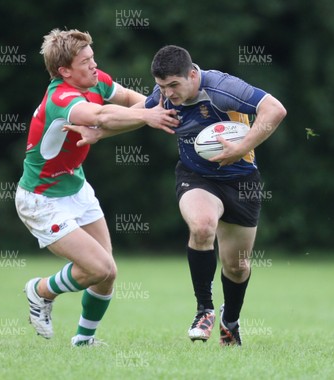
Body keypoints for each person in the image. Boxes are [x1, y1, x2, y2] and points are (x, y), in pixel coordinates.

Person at [66, 45, 286, 347]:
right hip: (195, 177)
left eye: (173, 85)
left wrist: (240, 146)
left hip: (241, 181)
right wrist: (101, 133)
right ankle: (204, 310)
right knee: (202, 226)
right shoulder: (164, 97)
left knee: (237, 266)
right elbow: (141, 115)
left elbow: (275, 109)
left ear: (192, 74)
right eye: (161, 86)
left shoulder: (222, 89)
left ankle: (229, 322)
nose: (167, 94)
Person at [16, 29, 179, 347]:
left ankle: (83, 341)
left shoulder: (96, 80)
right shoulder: (61, 98)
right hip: (41, 199)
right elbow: (103, 115)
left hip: (76, 188)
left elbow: (135, 101)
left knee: (108, 271)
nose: (94, 66)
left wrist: (159, 108)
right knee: (98, 267)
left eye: (93, 58)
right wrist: (148, 116)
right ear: (65, 71)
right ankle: (40, 291)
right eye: (85, 61)